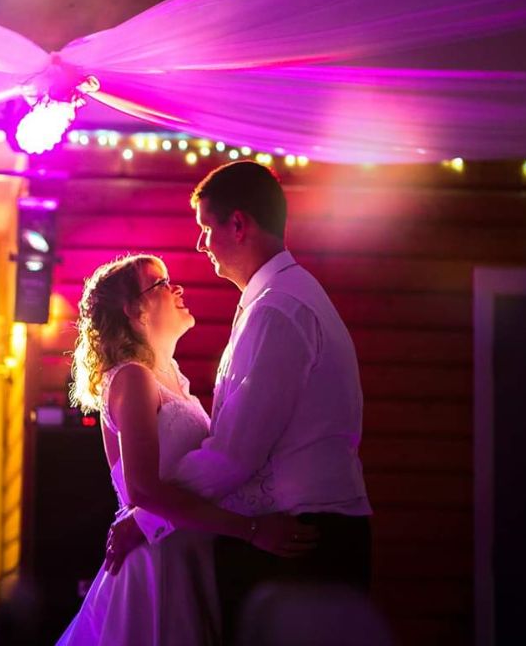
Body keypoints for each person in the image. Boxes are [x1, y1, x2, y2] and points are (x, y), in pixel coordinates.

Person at [108, 160, 373, 643]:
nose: (201, 244)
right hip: (288, 534)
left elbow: (235, 455)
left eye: (206, 228)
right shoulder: (275, 299)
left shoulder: (276, 309)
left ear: (238, 224)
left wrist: (147, 517)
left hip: (298, 539)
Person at [57, 253, 315, 646]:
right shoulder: (132, 378)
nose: (177, 288)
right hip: (156, 566)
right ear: (134, 310)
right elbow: (143, 491)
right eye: (161, 283)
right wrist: (251, 530)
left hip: (188, 558)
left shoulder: (172, 377)